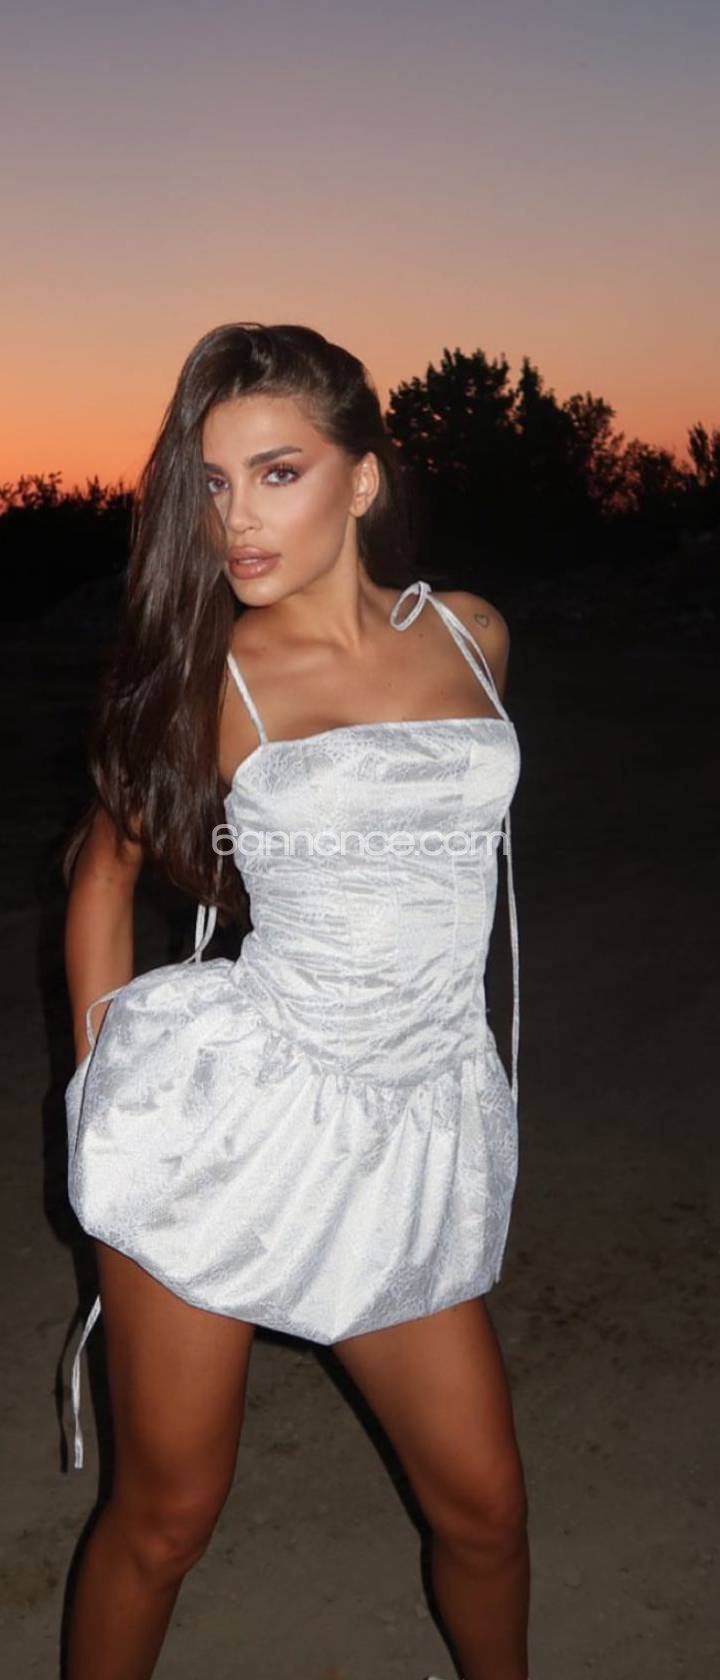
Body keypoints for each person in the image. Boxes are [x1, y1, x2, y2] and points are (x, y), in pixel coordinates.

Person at [62, 322, 530, 1680]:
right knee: (167, 1518)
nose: (236, 518)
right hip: (239, 1125)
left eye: (278, 473)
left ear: (362, 479)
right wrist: (104, 1089)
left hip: (411, 1132)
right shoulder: (205, 682)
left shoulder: (473, 635)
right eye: (212, 484)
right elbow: (102, 878)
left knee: (486, 1512)